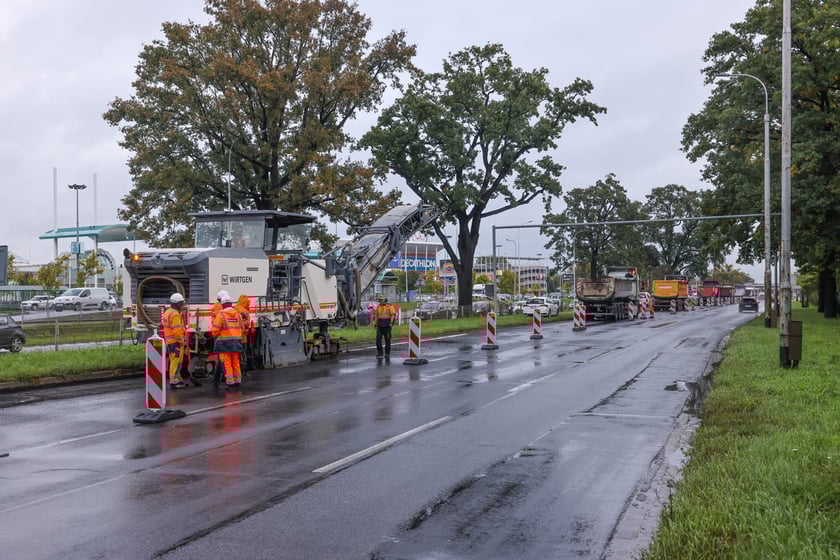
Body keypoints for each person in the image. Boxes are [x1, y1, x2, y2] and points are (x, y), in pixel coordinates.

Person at [211, 292, 244, 389]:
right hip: (236, 342)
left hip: (224, 343)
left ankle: (230, 382)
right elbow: (241, 327)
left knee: (227, 363)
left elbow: (215, 331)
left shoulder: (221, 315)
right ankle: (237, 381)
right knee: (236, 362)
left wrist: (217, 335)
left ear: (223, 305)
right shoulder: (238, 315)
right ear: (231, 304)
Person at [162, 293, 190, 389]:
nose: (182, 305)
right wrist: (183, 342)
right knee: (175, 361)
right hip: (176, 342)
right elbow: (178, 331)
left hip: (170, 342)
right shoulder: (175, 315)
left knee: (177, 361)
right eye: (181, 303)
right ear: (177, 304)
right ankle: (173, 380)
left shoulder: (167, 312)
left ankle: (178, 378)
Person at [373, 294, 397, 359]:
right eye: (379, 300)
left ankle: (387, 353)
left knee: (387, 340)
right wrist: (375, 324)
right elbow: (376, 316)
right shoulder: (378, 307)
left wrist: (391, 323)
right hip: (380, 326)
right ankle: (380, 353)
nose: (380, 301)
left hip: (387, 326)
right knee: (378, 340)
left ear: (385, 300)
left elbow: (393, 315)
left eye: (381, 300)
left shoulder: (389, 306)